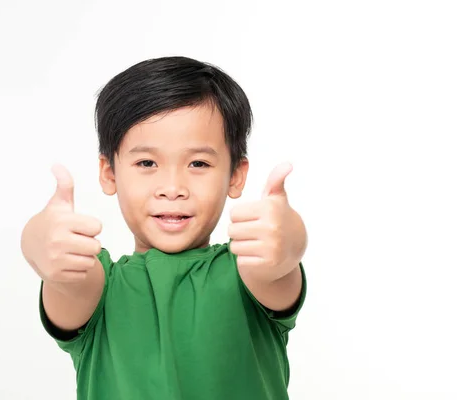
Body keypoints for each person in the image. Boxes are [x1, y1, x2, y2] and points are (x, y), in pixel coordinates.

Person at [20, 56, 308, 400]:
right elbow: (67, 280)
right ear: (109, 172)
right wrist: (38, 242)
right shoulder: (98, 286)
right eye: (147, 163)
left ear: (235, 175)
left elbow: (277, 267)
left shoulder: (248, 272)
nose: (172, 187)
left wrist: (289, 239)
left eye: (198, 163)